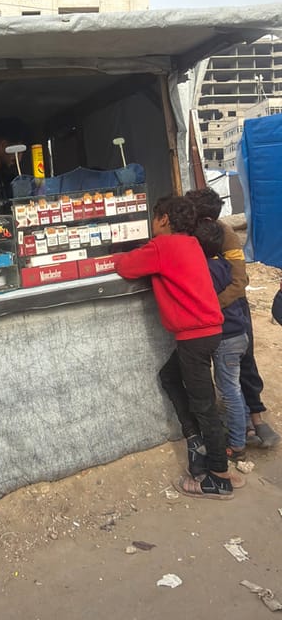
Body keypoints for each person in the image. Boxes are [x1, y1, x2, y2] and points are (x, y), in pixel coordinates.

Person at [113, 195, 241, 500]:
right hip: (209, 331)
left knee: (204, 404)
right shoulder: (191, 243)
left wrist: (113, 256)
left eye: (155, 217)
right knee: (170, 377)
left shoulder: (162, 247)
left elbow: (127, 267)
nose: (153, 222)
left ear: (165, 219)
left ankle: (220, 477)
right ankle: (200, 445)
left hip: (194, 336)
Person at [185, 187, 280, 449]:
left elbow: (240, 281)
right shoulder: (189, 233)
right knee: (226, 375)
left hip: (232, 310)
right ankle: (243, 423)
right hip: (214, 314)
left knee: (244, 364)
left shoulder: (223, 234)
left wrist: (211, 307)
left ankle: (256, 419)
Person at [194, 218, 250, 461]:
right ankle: (244, 424)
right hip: (239, 334)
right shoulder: (225, 264)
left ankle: (237, 443)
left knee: (228, 390)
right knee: (234, 387)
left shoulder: (206, 270)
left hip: (226, 338)